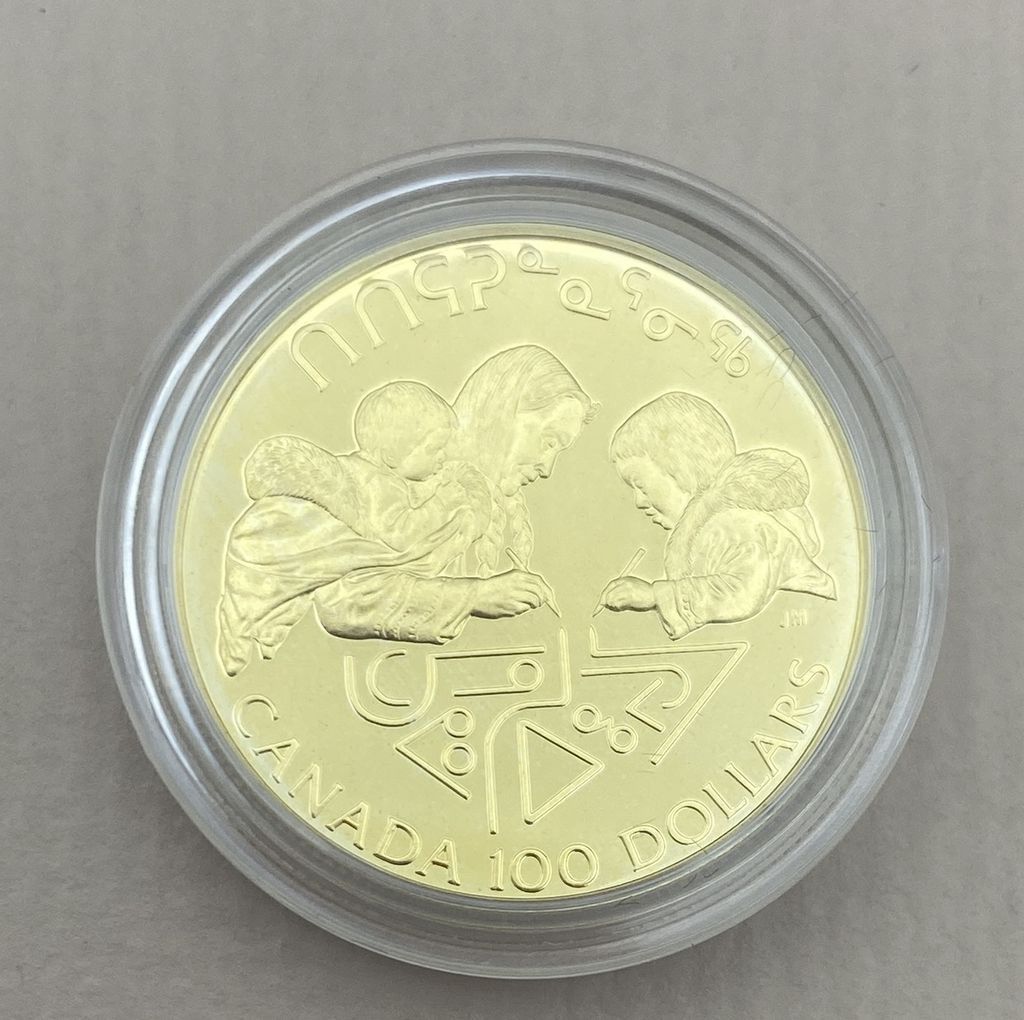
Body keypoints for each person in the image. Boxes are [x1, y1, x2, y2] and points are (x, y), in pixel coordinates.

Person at [216, 346, 594, 675]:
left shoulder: (483, 506)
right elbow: (346, 601)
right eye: (548, 441)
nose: (548, 467)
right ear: (500, 417)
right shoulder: (418, 486)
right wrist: (475, 597)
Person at [599, 391, 836, 638]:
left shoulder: (737, 524)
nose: (639, 501)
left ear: (681, 469)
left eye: (641, 485)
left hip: (802, 623)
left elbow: (743, 592)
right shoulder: (712, 526)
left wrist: (654, 595)